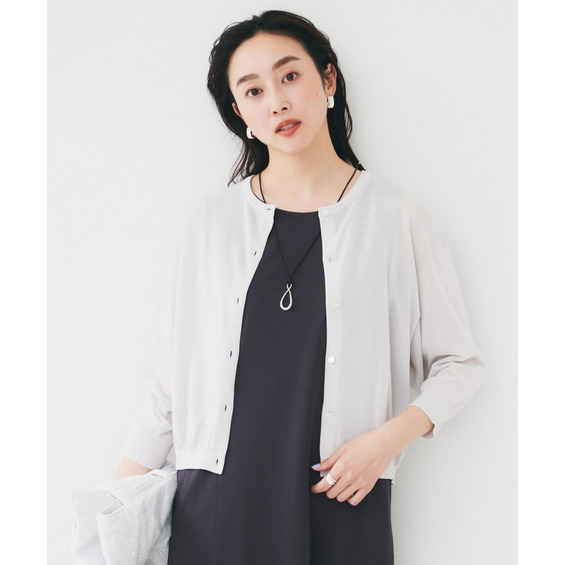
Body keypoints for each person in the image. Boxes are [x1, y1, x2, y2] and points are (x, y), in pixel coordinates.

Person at [115, 9, 485, 565]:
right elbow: (166, 393)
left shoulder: (394, 218)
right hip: (216, 508)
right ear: (239, 113)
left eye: (290, 76)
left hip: (342, 497)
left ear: (327, 80)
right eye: (254, 91)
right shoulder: (208, 226)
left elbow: (460, 365)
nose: (277, 102)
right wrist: (113, 518)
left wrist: (384, 444)